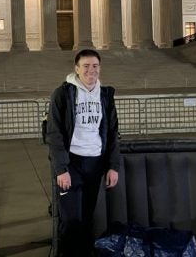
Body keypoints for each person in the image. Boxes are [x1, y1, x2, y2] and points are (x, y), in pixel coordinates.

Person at [46, 49, 120, 256]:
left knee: (87, 218)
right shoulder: (63, 94)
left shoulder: (105, 95)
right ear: (76, 69)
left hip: (95, 164)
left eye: (95, 66)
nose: (91, 70)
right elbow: (54, 133)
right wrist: (61, 168)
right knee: (70, 220)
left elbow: (113, 132)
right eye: (86, 66)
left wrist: (113, 166)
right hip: (71, 164)